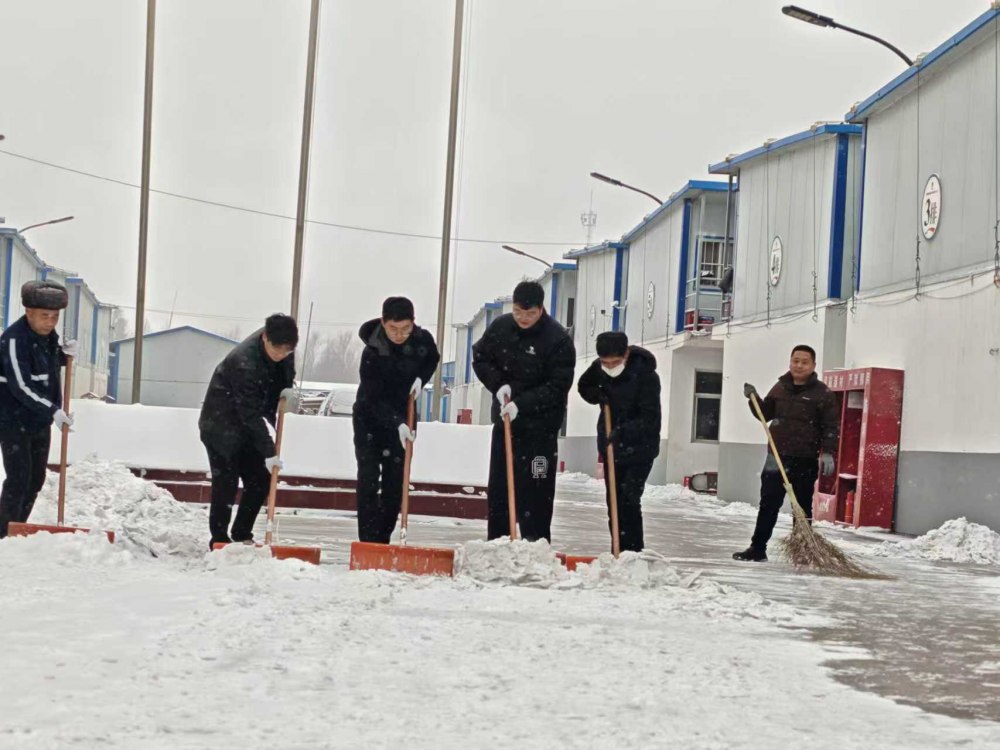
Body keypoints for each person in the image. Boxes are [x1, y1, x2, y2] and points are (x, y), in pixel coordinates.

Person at [472, 280, 575, 542]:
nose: (523, 318)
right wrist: (498, 385)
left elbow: (558, 386)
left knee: (537, 487)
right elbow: (481, 358)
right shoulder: (501, 328)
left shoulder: (557, 339)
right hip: (506, 426)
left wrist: (523, 404)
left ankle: (535, 545)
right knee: (500, 488)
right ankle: (498, 543)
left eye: (530, 313)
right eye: (518, 311)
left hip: (541, 433)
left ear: (541, 309)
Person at [199, 313, 298, 549]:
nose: (281, 355)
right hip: (220, 424)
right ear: (265, 338)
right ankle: (219, 539)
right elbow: (250, 414)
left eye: (287, 351)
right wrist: (269, 451)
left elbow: (283, 376)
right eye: (277, 349)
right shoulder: (244, 362)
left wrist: (285, 391)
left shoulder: (285, 350)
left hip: (245, 426)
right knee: (226, 482)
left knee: (260, 478)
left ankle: (242, 532)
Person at [734, 344, 839, 562]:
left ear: (813, 365)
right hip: (776, 456)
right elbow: (764, 414)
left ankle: (803, 551)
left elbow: (830, 426)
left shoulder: (822, 394)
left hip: (805, 457)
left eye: (804, 362)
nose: (799, 365)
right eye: (795, 361)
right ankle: (758, 548)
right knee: (768, 503)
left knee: (801, 506)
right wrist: (753, 399)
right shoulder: (780, 387)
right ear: (790, 362)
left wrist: (828, 452)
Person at [353, 297, 440, 543]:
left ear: (413, 323)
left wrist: (421, 378)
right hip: (369, 419)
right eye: (393, 329)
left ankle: (383, 539)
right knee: (369, 480)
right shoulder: (372, 352)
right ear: (383, 323)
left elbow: (432, 358)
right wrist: (396, 423)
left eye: (405, 329)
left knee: (395, 482)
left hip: (404, 414)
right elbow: (373, 398)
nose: (400, 335)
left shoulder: (422, 340)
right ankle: (368, 542)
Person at [0, 281, 76, 539]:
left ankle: (17, 529)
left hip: (38, 420)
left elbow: (44, 367)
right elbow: (21, 386)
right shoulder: (14, 340)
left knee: (35, 480)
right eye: (45, 316)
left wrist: (63, 355)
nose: (50, 322)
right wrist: (53, 410)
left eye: (55, 317)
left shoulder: (47, 338)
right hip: (12, 420)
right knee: (18, 479)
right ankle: (4, 534)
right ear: (29, 312)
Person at [577, 331, 661, 553]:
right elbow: (583, 386)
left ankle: (632, 552)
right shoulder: (599, 368)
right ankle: (617, 549)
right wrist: (597, 394)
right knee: (613, 501)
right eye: (605, 362)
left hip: (640, 448)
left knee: (629, 500)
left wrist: (622, 431)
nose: (610, 367)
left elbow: (650, 418)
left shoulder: (646, 376)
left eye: (615, 362)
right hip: (611, 447)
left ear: (626, 354)